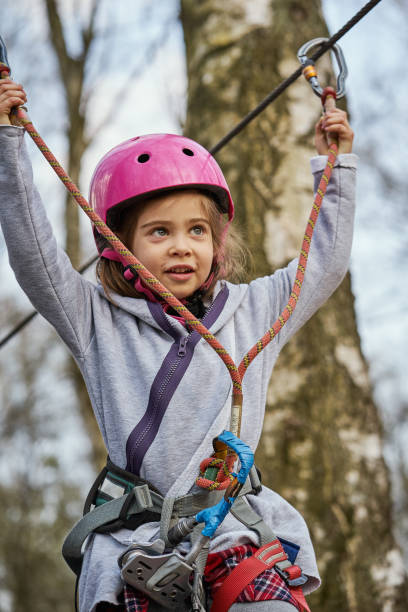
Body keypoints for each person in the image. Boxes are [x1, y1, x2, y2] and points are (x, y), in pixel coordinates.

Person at [0, 75, 355, 612]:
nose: (182, 247)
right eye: (159, 232)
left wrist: (336, 171)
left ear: (217, 241)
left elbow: (324, 263)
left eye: (197, 231)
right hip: (138, 545)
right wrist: (9, 143)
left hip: (233, 533)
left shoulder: (255, 313)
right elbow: (35, 256)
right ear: (117, 245)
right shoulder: (96, 320)